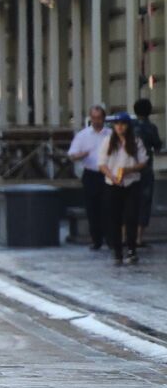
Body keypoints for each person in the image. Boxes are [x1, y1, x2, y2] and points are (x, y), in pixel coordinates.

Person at [99, 111, 148, 265]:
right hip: (113, 184)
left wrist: (129, 170)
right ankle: (117, 251)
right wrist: (111, 175)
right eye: (117, 124)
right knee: (115, 218)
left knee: (131, 216)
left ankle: (132, 249)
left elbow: (143, 162)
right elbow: (102, 163)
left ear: (128, 126)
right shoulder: (108, 141)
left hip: (131, 183)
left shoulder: (136, 141)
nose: (119, 127)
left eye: (123, 124)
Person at [69, 105, 110, 249]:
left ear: (104, 118)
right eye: (93, 118)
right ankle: (96, 239)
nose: (96, 121)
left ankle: (110, 238)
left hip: (107, 174)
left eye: (99, 118)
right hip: (91, 174)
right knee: (92, 208)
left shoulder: (110, 134)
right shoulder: (83, 135)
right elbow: (72, 155)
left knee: (108, 206)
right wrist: (81, 155)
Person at [133, 99, 162, 248]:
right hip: (145, 169)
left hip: (129, 170)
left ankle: (126, 235)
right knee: (144, 203)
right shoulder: (151, 128)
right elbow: (157, 145)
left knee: (129, 202)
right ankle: (138, 237)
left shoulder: (129, 127)